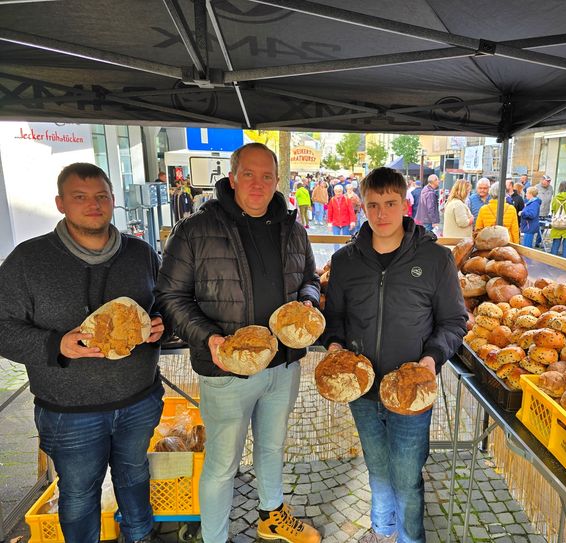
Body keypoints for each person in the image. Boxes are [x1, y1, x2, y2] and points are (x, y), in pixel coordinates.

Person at [154, 143, 322, 543]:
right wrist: (208, 338)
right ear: (232, 178)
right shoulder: (196, 230)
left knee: (271, 448)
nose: (258, 183)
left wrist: (308, 303)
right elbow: (169, 297)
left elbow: (310, 279)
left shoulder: (293, 230)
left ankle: (271, 517)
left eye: (267, 176)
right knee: (222, 463)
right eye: (249, 174)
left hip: (283, 367)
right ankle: (215, 538)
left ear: (277, 181)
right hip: (225, 370)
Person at [0, 163, 166, 543]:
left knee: (136, 475)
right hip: (69, 411)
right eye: (80, 197)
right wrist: (54, 344)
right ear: (60, 203)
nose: (93, 205)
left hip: (139, 399)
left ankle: (140, 537)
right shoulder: (29, 260)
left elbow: (162, 308)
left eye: (101, 196)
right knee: (77, 495)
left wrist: (161, 326)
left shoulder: (140, 253)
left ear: (112, 200)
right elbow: (2, 328)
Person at [322, 167, 467, 543]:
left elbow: (453, 322)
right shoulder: (345, 262)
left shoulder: (436, 259)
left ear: (406, 204)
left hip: (411, 393)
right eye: (373, 204)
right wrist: (335, 347)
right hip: (362, 390)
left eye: (390, 204)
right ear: (362, 206)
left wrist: (431, 360)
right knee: (377, 469)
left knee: (406, 477)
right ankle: (382, 530)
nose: (382, 213)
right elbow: (335, 318)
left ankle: (409, 538)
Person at [533, 175, 554, 247]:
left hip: (545, 211)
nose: (548, 183)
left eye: (549, 181)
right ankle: (530, 241)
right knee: (534, 227)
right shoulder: (536, 187)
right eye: (547, 181)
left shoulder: (550, 188)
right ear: (542, 180)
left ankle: (538, 242)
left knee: (542, 229)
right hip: (537, 212)